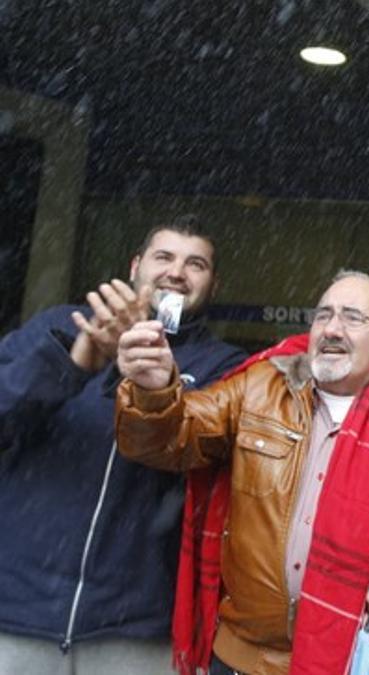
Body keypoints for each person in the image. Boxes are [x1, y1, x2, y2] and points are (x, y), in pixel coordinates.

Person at [114, 270, 369, 675]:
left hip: (366, 660)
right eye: (323, 315)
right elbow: (169, 440)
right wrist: (154, 393)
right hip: (246, 660)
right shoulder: (260, 386)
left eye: (351, 318)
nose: (331, 329)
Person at [0, 215, 246, 672]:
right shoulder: (59, 325)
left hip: (136, 628)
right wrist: (74, 364)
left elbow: (198, 455)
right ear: (136, 265)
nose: (177, 271)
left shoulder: (226, 367)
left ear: (213, 285)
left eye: (196, 264)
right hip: (15, 611)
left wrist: (157, 389)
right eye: (164, 257)